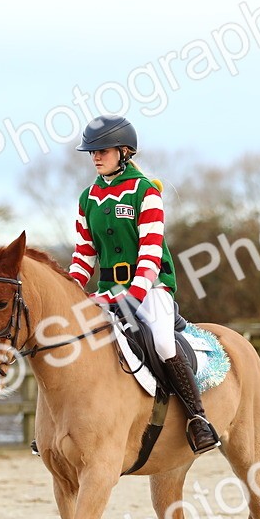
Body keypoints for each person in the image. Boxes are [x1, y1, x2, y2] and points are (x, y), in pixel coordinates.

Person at [68, 114, 220, 453]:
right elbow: (84, 255)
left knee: (163, 343)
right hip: (107, 292)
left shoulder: (145, 191)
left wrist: (133, 296)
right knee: (74, 342)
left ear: (124, 152)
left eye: (102, 151)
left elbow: (150, 252)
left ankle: (198, 419)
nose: (95, 157)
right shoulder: (87, 198)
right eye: (92, 152)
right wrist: (71, 291)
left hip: (150, 288)